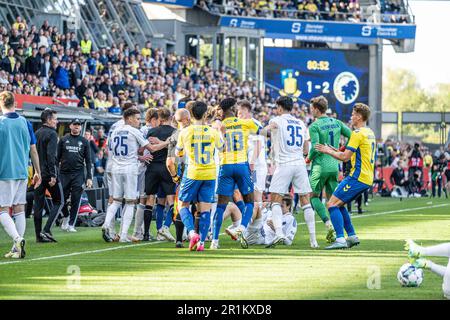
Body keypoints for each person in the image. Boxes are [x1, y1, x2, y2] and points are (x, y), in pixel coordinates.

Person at [315, 103, 376, 250]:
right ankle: (352, 236)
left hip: (357, 176)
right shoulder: (369, 132)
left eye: (354, 114)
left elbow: (344, 157)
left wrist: (326, 151)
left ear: (359, 116)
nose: (351, 117)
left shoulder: (357, 133)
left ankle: (340, 239)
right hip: (366, 177)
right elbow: (352, 152)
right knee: (339, 203)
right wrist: (334, 149)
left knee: (331, 204)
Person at [261, 96, 317, 248]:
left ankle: (279, 233)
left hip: (284, 164)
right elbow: (306, 148)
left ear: (279, 107)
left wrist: (264, 132)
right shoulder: (300, 123)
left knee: (275, 200)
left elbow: (264, 131)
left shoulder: (277, 120)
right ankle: (313, 241)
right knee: (306, 201)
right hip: (299, 163)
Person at [101, 108, 157, 242]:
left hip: (115, 168)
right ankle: (124, 235)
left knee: (116, 200)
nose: (139, 121)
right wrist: (168, 142)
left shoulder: (114, 131)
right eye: (137, 119)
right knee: (131, 202)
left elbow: (111, 150)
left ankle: (106, 224)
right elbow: (152, 148)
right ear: (130, 118)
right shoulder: (134, 131)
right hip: (130, 169)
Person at [211, 98, 259, 250]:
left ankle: (214, 241)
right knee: (250, 202)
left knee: (220, 205)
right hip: (241, 165)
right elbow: (263, 131)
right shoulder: (246, 122)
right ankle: (242, 228)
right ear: (233, 108)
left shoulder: (218, 125)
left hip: (225, 166)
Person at [176, 101, 223, 251]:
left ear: (191, 115)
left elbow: (178, 152)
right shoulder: (213, 132)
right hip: (210, 173)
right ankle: (201, 242)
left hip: (193, 173)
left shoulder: (185, 132)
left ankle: (191, 232)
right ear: (205, 114)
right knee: (205, 210)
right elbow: (223, 148)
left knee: (182, 205)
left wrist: (183, 152)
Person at [0, 91, 41, 259]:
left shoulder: (1, 123)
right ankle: (17, 248)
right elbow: (33, 149)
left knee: (2, 209)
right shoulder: (25, 122)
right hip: (22, 172)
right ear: (14, 102)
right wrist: (38, 171)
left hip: (4, 172)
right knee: (19, 208)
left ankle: (17, 239)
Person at [306, 96, 352, 243]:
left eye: (311, 107)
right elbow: (352, 135)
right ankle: (344, 234)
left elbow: (315, 146)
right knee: (334, 202)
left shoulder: (314, 126)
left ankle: (328, 223)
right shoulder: (337, 122)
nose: (310, 110)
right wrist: (341, 149)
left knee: (312, 196)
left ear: (315, 109)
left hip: (320, 166)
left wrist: (308, 159)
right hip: (334, 165)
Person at [144, 107, 175, 242]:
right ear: (170, 118)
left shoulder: (152, 131)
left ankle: (147, 233)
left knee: (150, 199)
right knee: (171, 201)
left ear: (159, 118)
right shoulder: (174, 132)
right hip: (167, 168)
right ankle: (165, 228)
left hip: (152, 168)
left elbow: (147, 148)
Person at [33, 108, 64, 243]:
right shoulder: (52, 134)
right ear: (49, 120)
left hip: (38, 173)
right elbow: (51, 156)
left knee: (38, 206)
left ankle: (38, 236)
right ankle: (46, 230)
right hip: (48, 174)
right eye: (55, 119)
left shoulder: (36, 132)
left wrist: (36, 171)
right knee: (59, 201)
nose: (57, 122)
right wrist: (53, 175)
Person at [237, 100, 267, 234]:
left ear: (247, 112)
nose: (238, 115)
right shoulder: (245, 125)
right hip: (250, 165)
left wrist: (251, 164)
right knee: (248, 196)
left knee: (256, 197)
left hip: (256, 167)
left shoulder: (254, 124)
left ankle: (257, 229)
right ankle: (253, 227)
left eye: (240, 113)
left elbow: (258, 145)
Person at [57, 118, 93, 232]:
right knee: (60, 198)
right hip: (64, 173)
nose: (77, 126)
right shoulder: (63, 140)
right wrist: (55, 174)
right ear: (70, 126)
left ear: (80, 127)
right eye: (75, 124)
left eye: (78, 125)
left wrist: (89, 178)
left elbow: (88, 161)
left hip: (78, 174)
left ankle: (72, 224)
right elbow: (57, 159)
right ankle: (66, 216)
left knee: (76, 199)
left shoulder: (84, 141)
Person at [165, 108, 191, 248]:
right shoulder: (196, 131)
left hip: (183, 175)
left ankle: (179, 239)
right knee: (199, 205)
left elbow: (169, 162)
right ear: (188, 118)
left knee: (181, 206)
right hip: (199, 171)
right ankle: (198, 236)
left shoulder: (174, 136)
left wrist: (175, 177)